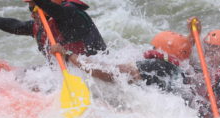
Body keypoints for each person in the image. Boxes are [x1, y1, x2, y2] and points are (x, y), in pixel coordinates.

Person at [51, 30, 193, 94]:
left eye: (154, 47)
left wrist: (69, 55)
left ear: (159, 50)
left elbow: (111, 74)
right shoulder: (183, 71)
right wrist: (192, 36)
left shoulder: (155, 65)